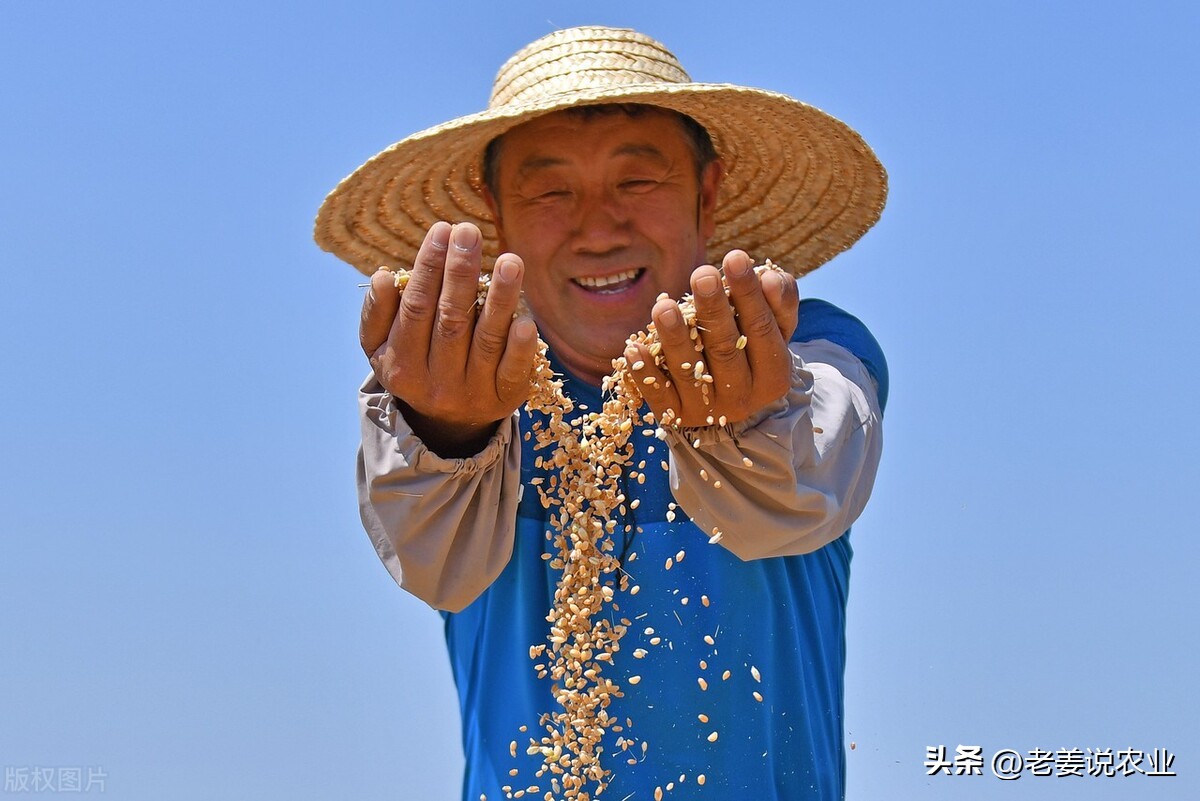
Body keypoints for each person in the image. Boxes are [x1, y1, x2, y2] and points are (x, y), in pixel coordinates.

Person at [315, 26, 889, 801]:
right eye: (551, 190)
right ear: (496, 211)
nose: (597, 226)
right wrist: (446, 432)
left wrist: (747, 420)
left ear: (706, 193)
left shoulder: (805, 352)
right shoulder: (466, 389)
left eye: (637, 181)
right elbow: (427, 549)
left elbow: (808, 477)